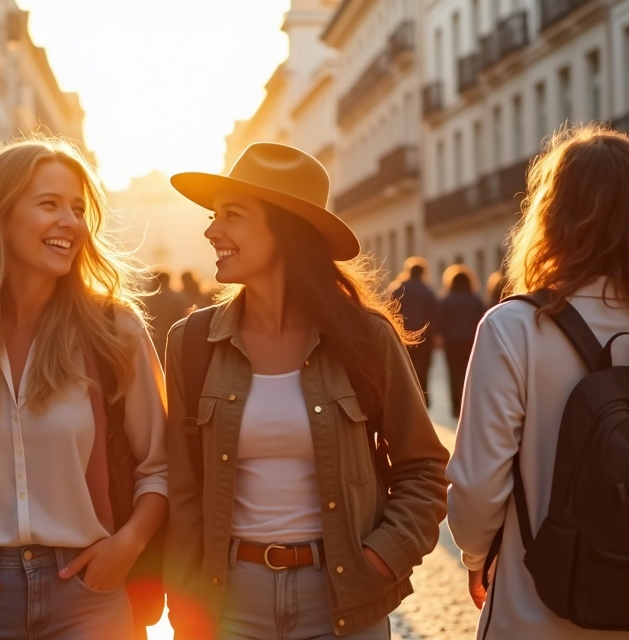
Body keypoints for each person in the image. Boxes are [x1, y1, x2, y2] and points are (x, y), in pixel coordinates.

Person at [447, 125, 629, 639]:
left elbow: (476, 487)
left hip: (537, 615)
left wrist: (476, 555)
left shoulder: (514, 329)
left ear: (553, 218)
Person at [164, 142, 450, 639]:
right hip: (230, 602)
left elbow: (424, 468)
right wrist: (185, 601)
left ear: (284, 227)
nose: (212, 230)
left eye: (231, 215)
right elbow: (184, 490)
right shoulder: (192, 344)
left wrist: (385, 555)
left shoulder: (365, 338)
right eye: (213, 216)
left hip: (343, 600)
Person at [0, 138, 168, 639]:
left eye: (79, 209)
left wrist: (126, 547)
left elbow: (160, 467)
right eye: (49, 204)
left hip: (90, 597)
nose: (71, 221)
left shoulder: (116, 331)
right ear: (0, 215)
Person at [433, 265, 487, 418]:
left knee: (453, 373)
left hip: (452, 341)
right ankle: (467, 404)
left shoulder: (446, 299)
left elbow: (440, 320)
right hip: (471, 341)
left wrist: (439, 337)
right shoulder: (475, 299)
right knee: (468, 372)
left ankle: (455, 406)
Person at [389, 257, 437, 405]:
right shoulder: (428, 291)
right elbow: (434, 315)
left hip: (402, 334)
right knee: (423, 366)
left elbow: (390, 311)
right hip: (424, 336)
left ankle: (406, 395)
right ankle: (423, 395)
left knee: (404, 365)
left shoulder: (398, 288)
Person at [142, 270, 190, 354]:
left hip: (153, 337)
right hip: (173, 335)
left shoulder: (147, 298)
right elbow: (183, 317)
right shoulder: (178, 297)